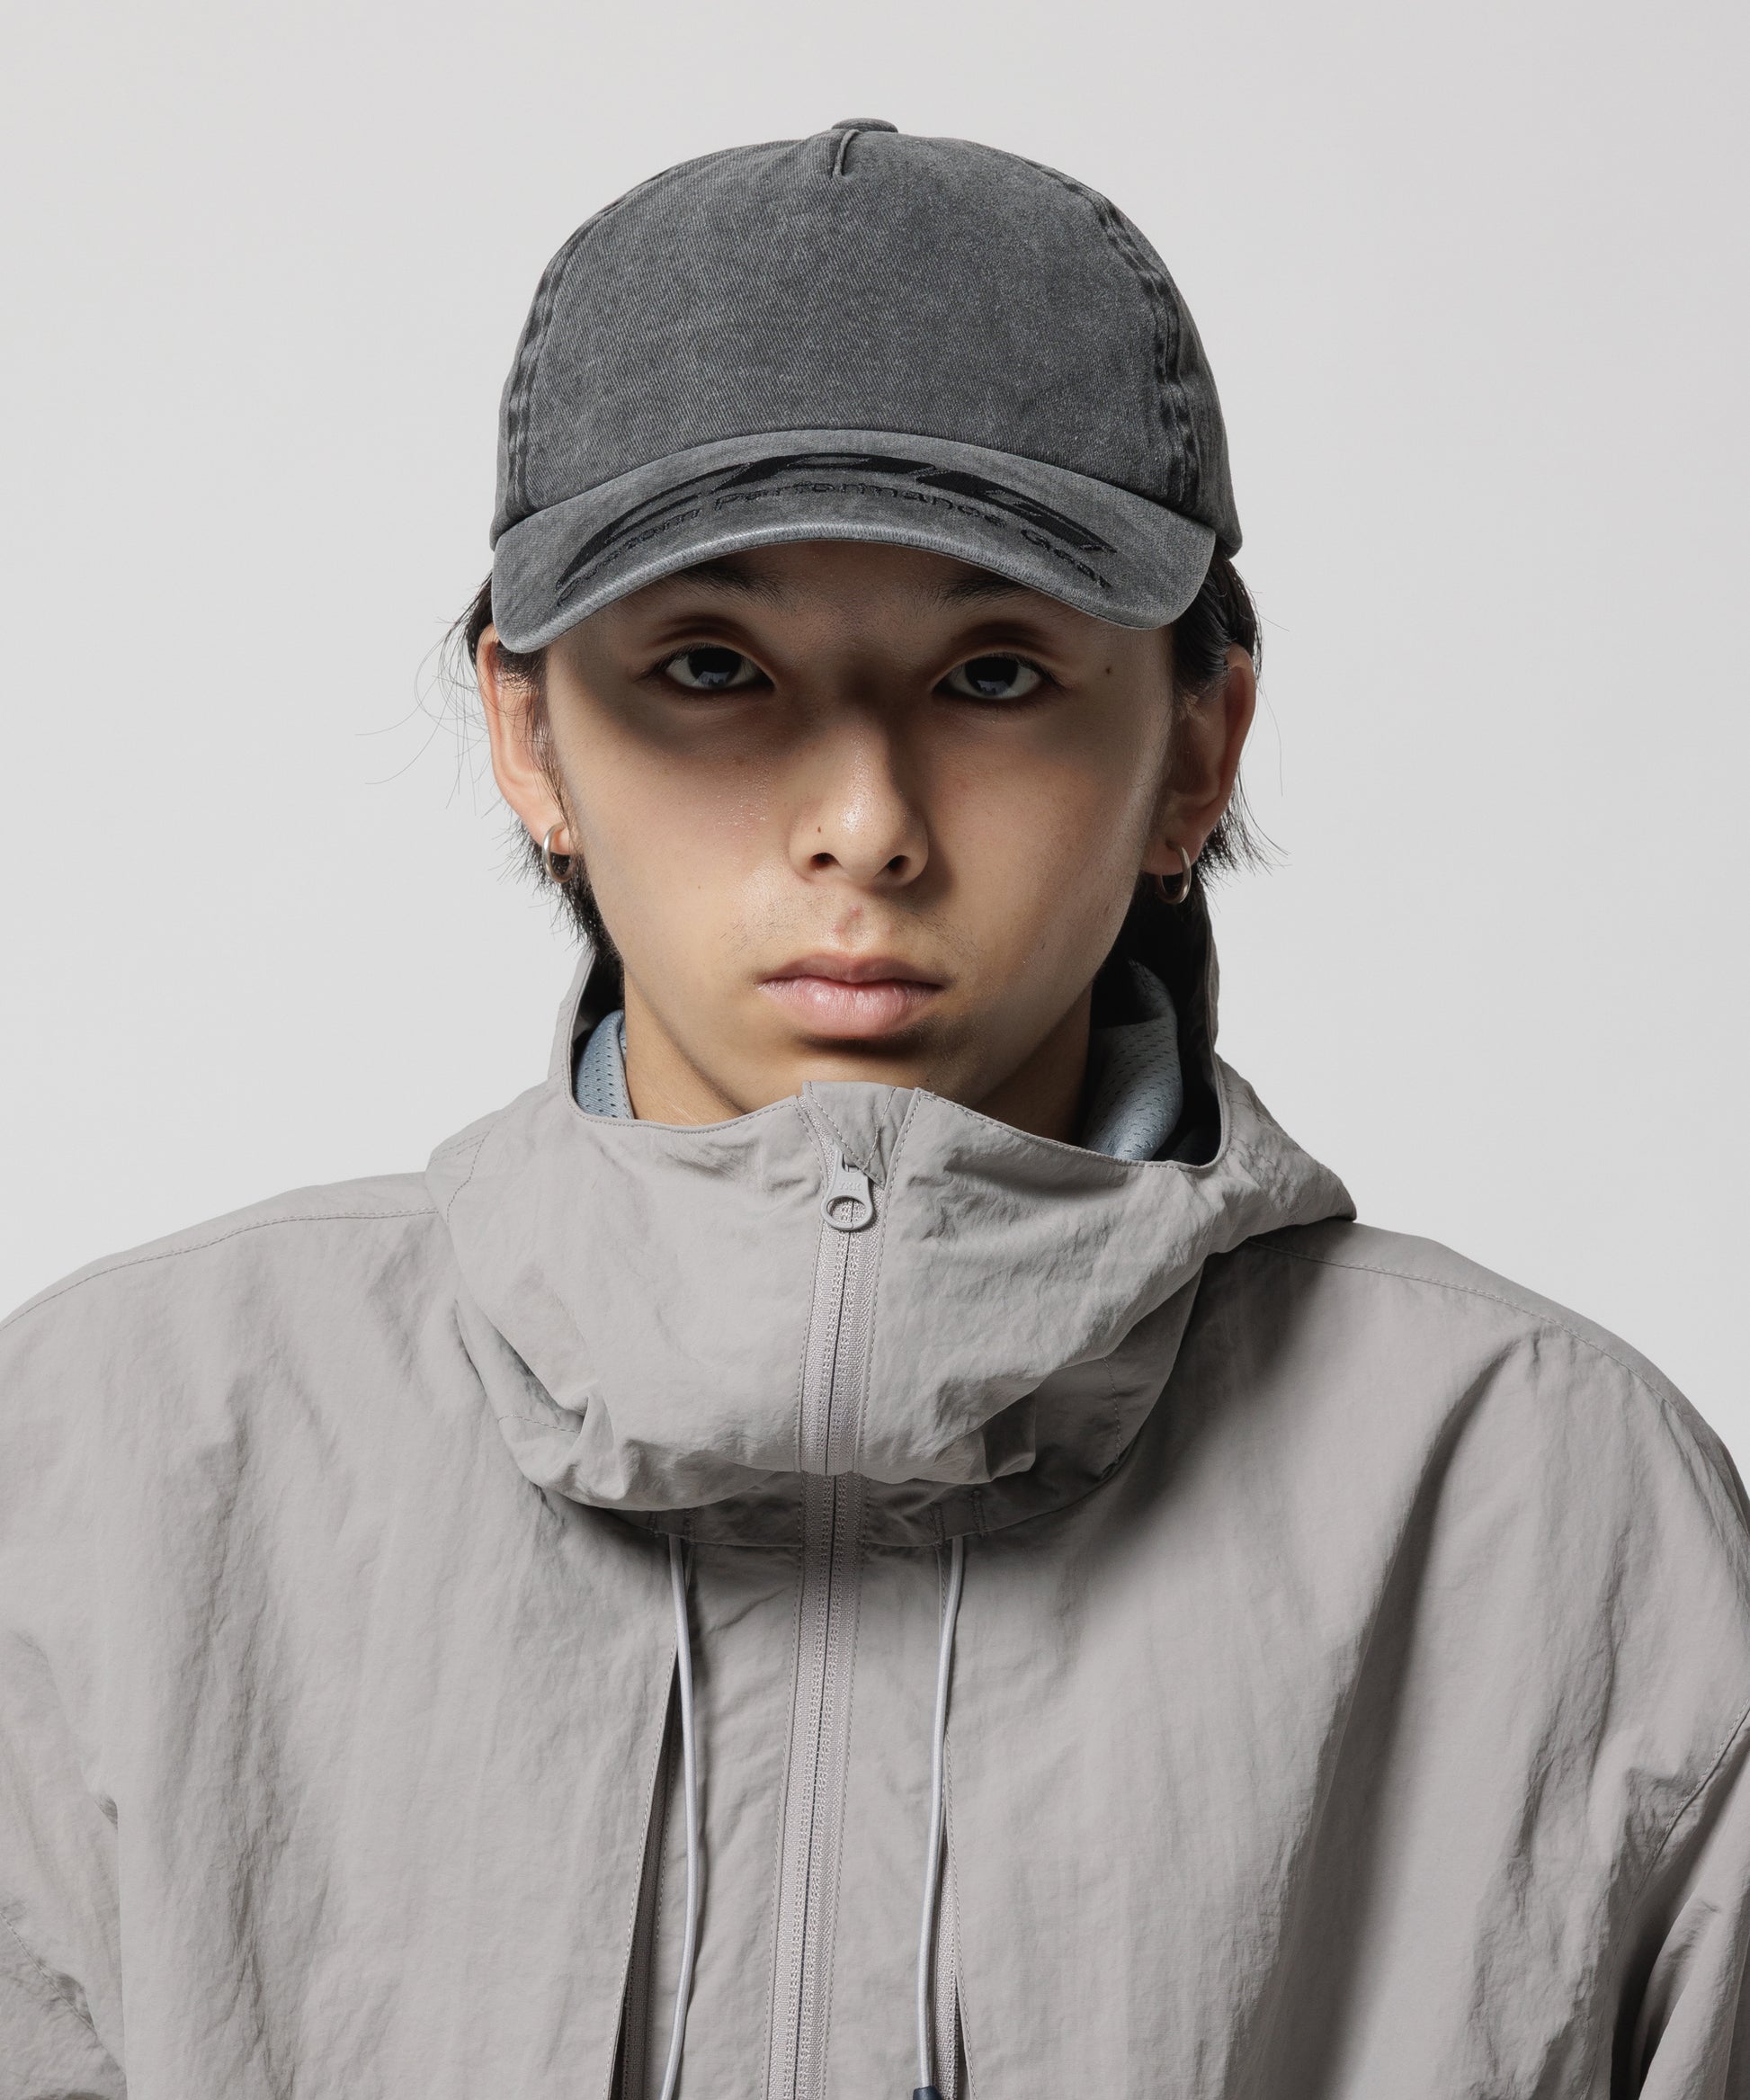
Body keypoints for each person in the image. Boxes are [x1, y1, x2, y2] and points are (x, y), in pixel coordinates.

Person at [2, 119, 1746, 2100]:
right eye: (711, 666)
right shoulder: (114, 1467)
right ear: (527, 731)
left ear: (1196, 746)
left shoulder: (1545, 1503)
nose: (863, 825)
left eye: (993, 674)